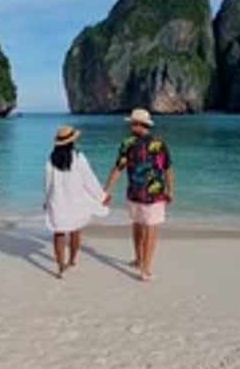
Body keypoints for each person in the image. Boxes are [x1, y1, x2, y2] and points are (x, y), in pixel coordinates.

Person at [104, 108, 174, 282]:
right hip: (154, 194)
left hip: (134, 193)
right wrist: (170, 190)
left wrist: (107, 190)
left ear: (137, 124)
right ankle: (145, 268)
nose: (129, 126)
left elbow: (118, 168)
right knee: (149, 230)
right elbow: (168, 168)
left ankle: (139, 260)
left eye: (131, 123)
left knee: (137, 226)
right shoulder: (160, 142)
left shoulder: (127, 143)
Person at [44, 125, 109, 278]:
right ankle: (72, 260)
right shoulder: (78, 157)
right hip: (76, 200)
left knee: (58, 232)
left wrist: (46, 200)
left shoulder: (51, 159)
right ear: (72, 141)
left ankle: (61, 267)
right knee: (75, 230)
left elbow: (47, 183)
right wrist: (102, 197)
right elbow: (89, 179)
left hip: (58, 200)